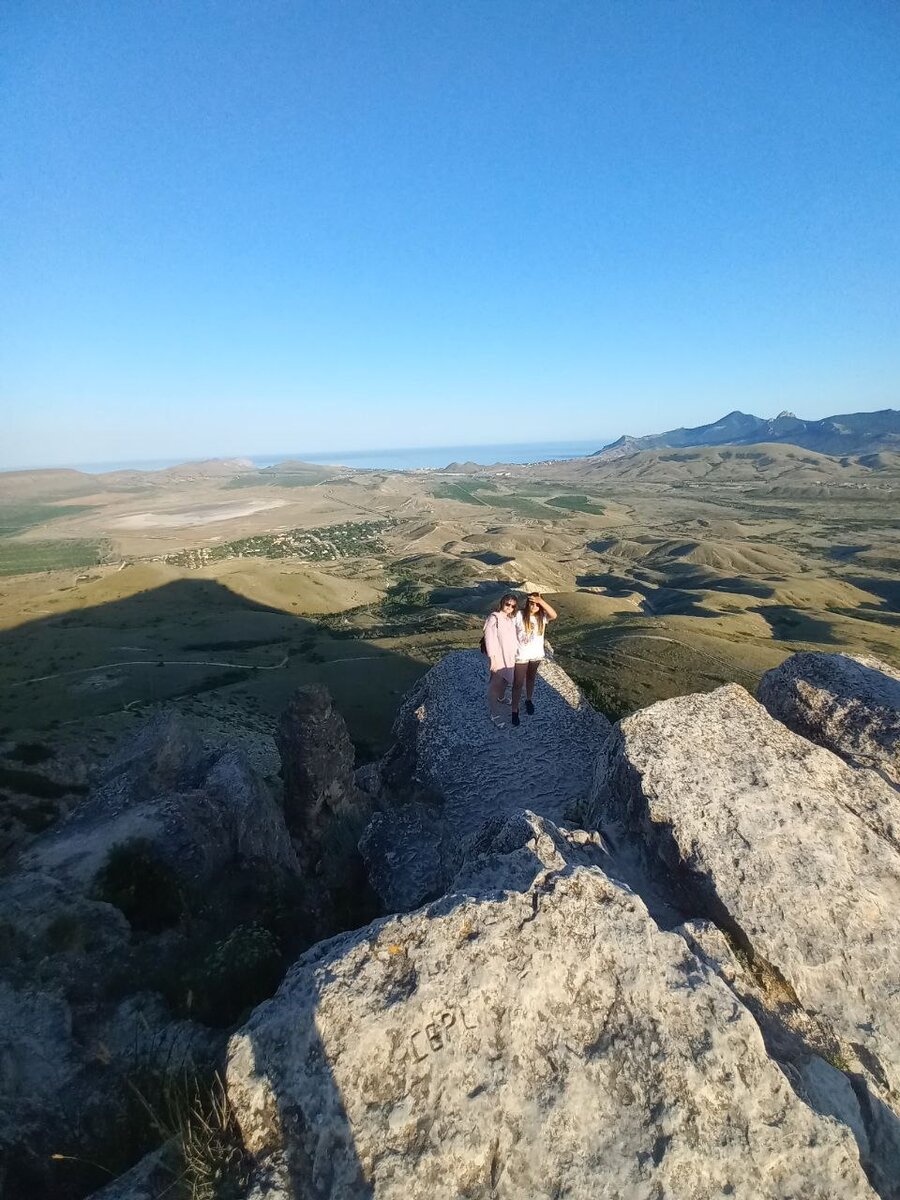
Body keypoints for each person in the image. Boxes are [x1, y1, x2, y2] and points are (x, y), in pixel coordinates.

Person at [511, 592, 558, 726]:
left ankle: (529, 699)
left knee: (531, 678)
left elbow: (554, 615)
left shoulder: (541, 617)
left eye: (537, 604)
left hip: (536, 654)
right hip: (521, 655)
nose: (534, 606)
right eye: (532, 603)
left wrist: (541, 601)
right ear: (527, 604)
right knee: (518, 683)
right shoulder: (519, 615)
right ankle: (514, 710)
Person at [483, 593, 519, 726]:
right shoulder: (494, 618)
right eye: (507, 604)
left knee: (505, 680)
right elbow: (489, 639)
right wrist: (492, 659)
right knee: (494, 685)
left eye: (513, 605)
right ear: (502, 603)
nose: (509, 607)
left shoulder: (510, 619)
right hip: (498, 657)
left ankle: (501, 697)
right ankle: (494, 714)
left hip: (509, 657)